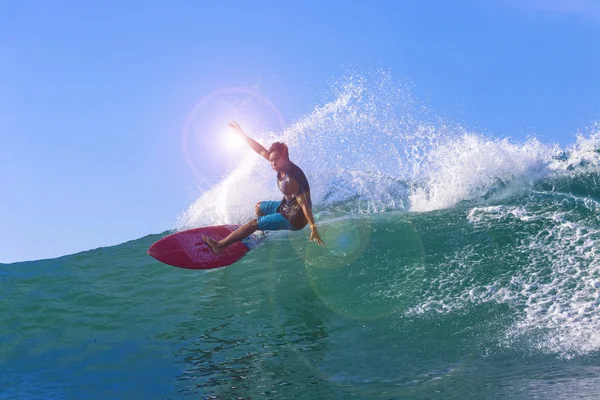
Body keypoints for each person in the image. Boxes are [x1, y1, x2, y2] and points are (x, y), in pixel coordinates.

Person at [203, 121, 324, 253]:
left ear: (285, 157)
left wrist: (313, 228)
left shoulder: (292, 179)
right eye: (271, 160)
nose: (273, 163)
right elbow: (260, 150)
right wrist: (242, 134)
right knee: (259, 207)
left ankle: (219, 246)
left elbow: (305, 205)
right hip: (286, 205)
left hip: (294, 218)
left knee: (253, 223)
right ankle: (262, 234)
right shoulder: (279, 164)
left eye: (276, 159)